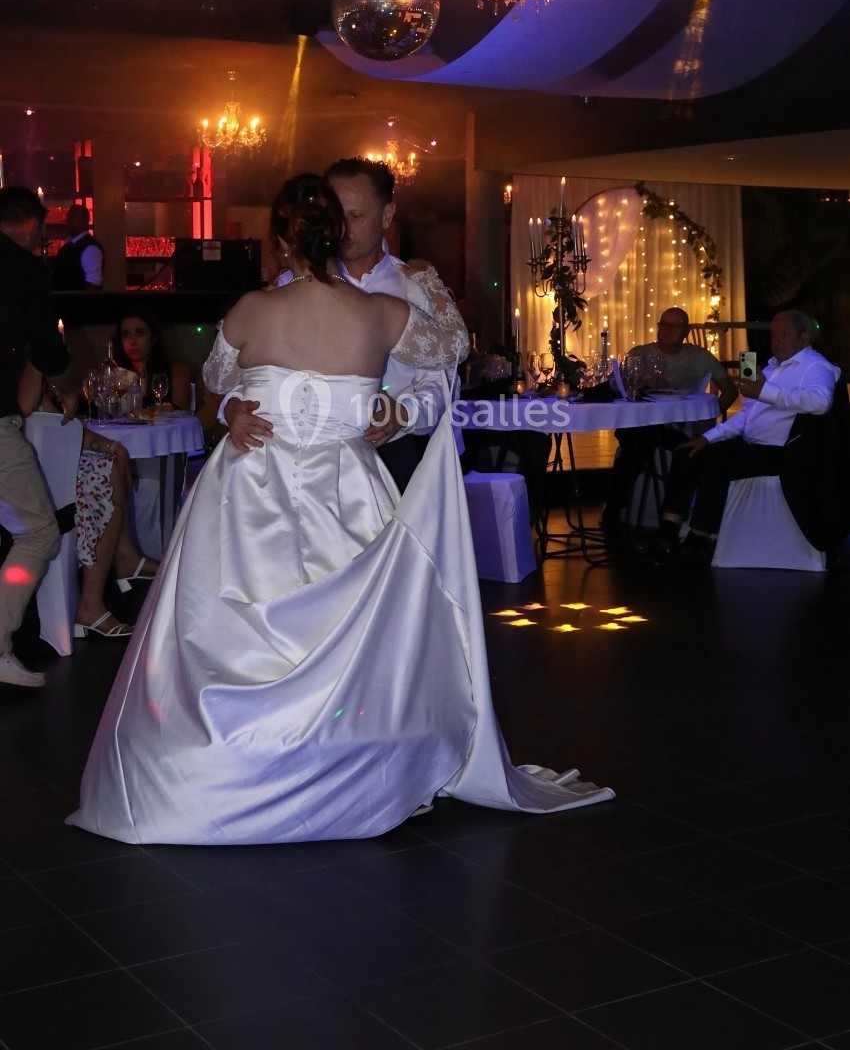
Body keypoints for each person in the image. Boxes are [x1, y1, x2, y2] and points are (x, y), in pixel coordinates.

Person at [67, 173, 612, 844]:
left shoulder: (250, 310)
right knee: (359, 631)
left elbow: (216, 380)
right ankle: (358, 760)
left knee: (231, 632)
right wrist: (393, 369)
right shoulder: (381, 315)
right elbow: (454, 347)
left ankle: (227, 766)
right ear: (338, 231)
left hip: (251, 488)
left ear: (279, 242)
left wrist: (242, 405)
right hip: (346, 483)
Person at [224, 157, 465, 491]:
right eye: (336, 215)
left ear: (387, 215)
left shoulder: (413, 285)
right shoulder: (286, 288)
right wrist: (234, 410)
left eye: (356, 216)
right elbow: (243, 380)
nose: (344, 228)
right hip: (293, 466)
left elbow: (442, 381)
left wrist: (403, 414)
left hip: (390, 452)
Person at [657, 309, 843, 564]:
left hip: (782, 453)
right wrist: (708, 437)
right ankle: (667, 532)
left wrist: (766, 391)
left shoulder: (815, 366)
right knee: (691, 450)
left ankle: (698, 540)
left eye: (784, 334)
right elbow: (746, 417)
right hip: (752, 444)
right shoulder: (772, 367)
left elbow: (821, 402)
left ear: (804, 336)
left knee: (716, 462)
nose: (776, 341)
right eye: (773, 334)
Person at [0, 186, 78, 688]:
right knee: (39, 531)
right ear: (31, 225)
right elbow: (47, 346)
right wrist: (69, 388)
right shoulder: (24, 270)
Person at [19, 365, 158, 639]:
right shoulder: (21, 373)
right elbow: (36, 414)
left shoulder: (29, 374)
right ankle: (91, 604)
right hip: (24, 475)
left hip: (45, 462)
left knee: (109, 467)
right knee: (101, 479)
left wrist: (114, 447)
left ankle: (125, 561)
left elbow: (59, 422)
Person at [600, 306, 736, 535]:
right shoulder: (639, 355)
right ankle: (627, 513)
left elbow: (730, 390)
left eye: (674, 326)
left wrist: (711, 414)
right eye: (663, 324)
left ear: (686, 331)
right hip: (639, 423)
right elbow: (618, 388)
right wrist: (640, 385)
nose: (666, 330)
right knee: (638, 440)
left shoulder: (699, 357)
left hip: (675, 427)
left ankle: (641, 515)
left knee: (649, 446)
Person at [110, 306, 192, 412]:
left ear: (153, 338)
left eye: (139, 333)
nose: (132, 341)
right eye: (126, 335)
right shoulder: (114, 373)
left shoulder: (176, 371)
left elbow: (181, 417)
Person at [52, 202, 104, 291]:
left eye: (75, 217)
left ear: (85, 221)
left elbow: (93, 285)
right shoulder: (67, 247)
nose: (69, 220)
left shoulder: (90, 248)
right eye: (68, 217)